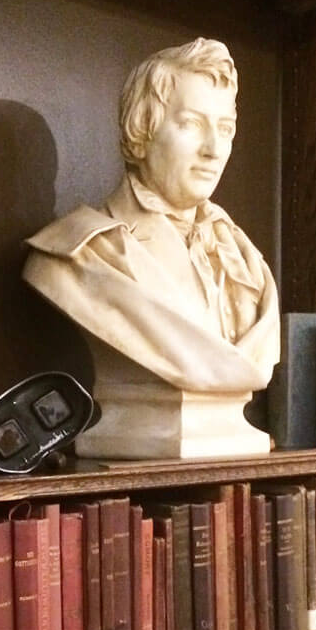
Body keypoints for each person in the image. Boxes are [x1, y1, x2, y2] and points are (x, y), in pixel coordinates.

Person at [22, 37, 279, 456]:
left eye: (225, 128)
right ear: (140, 133)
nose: (214, 150)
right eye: (192, 125)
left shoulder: (243, 256)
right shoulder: (78, 254)